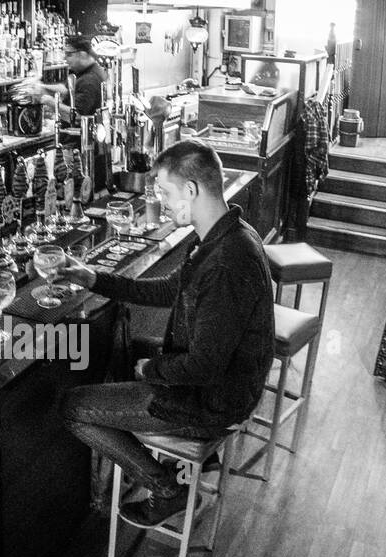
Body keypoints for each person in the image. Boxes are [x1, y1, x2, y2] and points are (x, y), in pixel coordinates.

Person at [53, 140, 275, 527]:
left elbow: (203, 366)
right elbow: (166, 290)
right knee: (130, 349)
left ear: (191, 190)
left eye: (166, 193)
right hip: (226, 382)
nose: (163, 203)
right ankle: (182, 456)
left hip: (213, 400)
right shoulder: (228, 233)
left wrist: (150, 370)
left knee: (73, 408)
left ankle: (165, 487)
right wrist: (93, 278)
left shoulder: (225, 263)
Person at [34, 34, 106, 120]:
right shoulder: (85, 71)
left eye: (69, 54)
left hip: (80, 132)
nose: (65, 57)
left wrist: (49, 101)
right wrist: (41, 86)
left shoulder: (89, 80)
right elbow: (65, 90)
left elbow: (77, 116)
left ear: (82, 54)